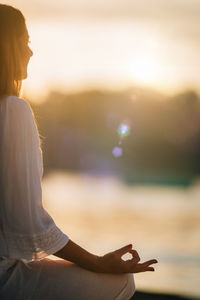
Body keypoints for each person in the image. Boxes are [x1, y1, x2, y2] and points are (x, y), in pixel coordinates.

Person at [0, 4, 158, 300]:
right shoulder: (12, 109)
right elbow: (29, 225)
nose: (30, 52)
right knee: (122, 283)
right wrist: (97, 262)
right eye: (24, 43)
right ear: (6, 47)